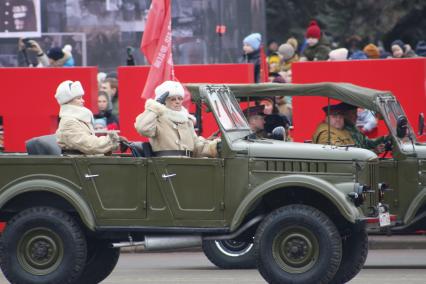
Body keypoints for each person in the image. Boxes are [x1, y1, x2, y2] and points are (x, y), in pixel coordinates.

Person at [134, 81, 219, 157]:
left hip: (187, 166)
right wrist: (155, 106)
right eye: (173, 99)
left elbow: (196, 147)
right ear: (164, 101)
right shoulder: (157, 119)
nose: (178, 101)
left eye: (180, 98)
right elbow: (142, 128)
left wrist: (215, 146)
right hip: (164, 167)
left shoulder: (186, 120)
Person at [55, 80, 123, 155]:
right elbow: (88, 144)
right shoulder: (68, 122)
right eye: (78, 98)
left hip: (86, 161)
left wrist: (116, 141)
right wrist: (112, 141)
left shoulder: (78, 119)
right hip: (80, 163)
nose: (83, 100)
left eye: (81, 97)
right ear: (67, 101)